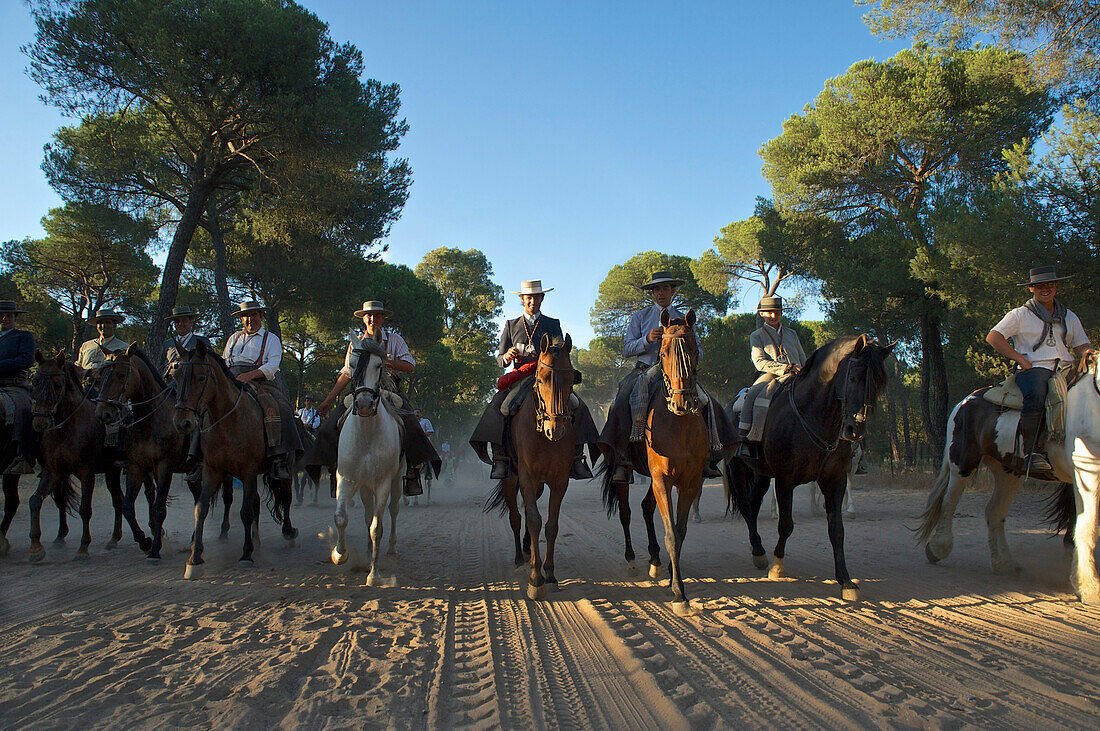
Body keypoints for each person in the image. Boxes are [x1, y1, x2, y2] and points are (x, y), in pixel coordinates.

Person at [469, 279, 598, 480]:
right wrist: (506, 357)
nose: (532, 301)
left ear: (542, 299)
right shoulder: (511, 325)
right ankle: (500, 458)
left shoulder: (552, 324)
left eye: (536, 297)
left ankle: (577, 458)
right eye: (529, 298)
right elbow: (500, 359)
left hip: (547, 379)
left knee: (577, 405)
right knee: (500, 406)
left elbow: (559, 352)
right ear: (522, 299)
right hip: (521, 378)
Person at [318, 301, 440, 496]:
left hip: (390, 391)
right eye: (369, 315)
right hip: (360, 391)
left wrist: (386, 362)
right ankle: (335, 470)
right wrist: (327, 400)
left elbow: (410, 365)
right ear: (363, 318)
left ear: (383, 318)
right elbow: (347, 373)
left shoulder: (395, 339)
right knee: (331, 425)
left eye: (377, 315)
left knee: (412, 424)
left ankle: (412, 471)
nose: (372, 319)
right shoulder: (355, 342)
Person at [599, 270, 710, 484]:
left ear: (673, 291)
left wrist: (688, 347)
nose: (661, 292)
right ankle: (621, 459)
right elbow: (627, 349)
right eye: (657, 289)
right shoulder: (640, 317)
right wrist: (646, 339)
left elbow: (700, 352)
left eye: (665, 288)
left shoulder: (685, 318)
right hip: (645, 369)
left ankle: (709, 454)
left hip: (678, 372)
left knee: (706, 401)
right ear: (652, 293)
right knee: (622, 399)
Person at [986, 266, 1093, 474]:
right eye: (1039, 286)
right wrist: (1018, 358)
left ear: (1057, 286)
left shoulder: (1069, 316)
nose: (1045, 289)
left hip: (1065, 368)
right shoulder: (1020, 315)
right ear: (1031, 289)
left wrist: (1089, 352)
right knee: (1037, 393)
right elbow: (994, 337)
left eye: (1050, 285)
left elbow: (1081, 345)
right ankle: (1033, 453)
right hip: (1034, 368)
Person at [223, 300, 303, 481]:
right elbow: (225, 361)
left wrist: (249, 375)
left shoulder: (271, 339)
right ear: (241, 319)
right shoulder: (233, 338)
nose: (250, 319)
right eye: (246, 316)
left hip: (260, 382)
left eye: (253, 315)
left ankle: (279, 457)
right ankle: (198, 456)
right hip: (231, 380)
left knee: (280, 407)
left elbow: (273, 365)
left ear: (260, 316)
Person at [735, 296, 808, 458]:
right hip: (771, 374)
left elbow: (802, 357)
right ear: (762, 314)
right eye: (769, 313)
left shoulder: (792, 334)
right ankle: (745, 437)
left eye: (777, 312)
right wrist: (786, 367)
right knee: (753, 393)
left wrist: (806, 370)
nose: (774, 316)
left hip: (797, 374)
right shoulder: (757, 335)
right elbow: (759, 362)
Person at [75, 309, 130, 447]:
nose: (103, 326)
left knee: (125, 418)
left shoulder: (123, 348)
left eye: (107, 322)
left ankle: (118, 450)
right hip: (83, 391)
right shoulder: (86, 345)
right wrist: (87, 373)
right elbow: (77, 366)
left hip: (109, 393)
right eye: (100, 323)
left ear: (114, 325)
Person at [0, 301, 36, 474]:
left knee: (23, 408)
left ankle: (22, 455)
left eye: (8, 315)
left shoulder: (23, 336)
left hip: (13, 385)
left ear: (15, 317)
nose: (4, 318)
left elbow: (26, 360)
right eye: (1, 315)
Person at [159, 305, 212, 377]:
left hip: (192, 383)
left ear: (191, 323)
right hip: (170, 383)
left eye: (184, 321)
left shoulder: (201, 342)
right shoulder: (167, 344)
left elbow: (210, 364)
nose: (180, 324)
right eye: (177, 321)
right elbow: (161, 366)